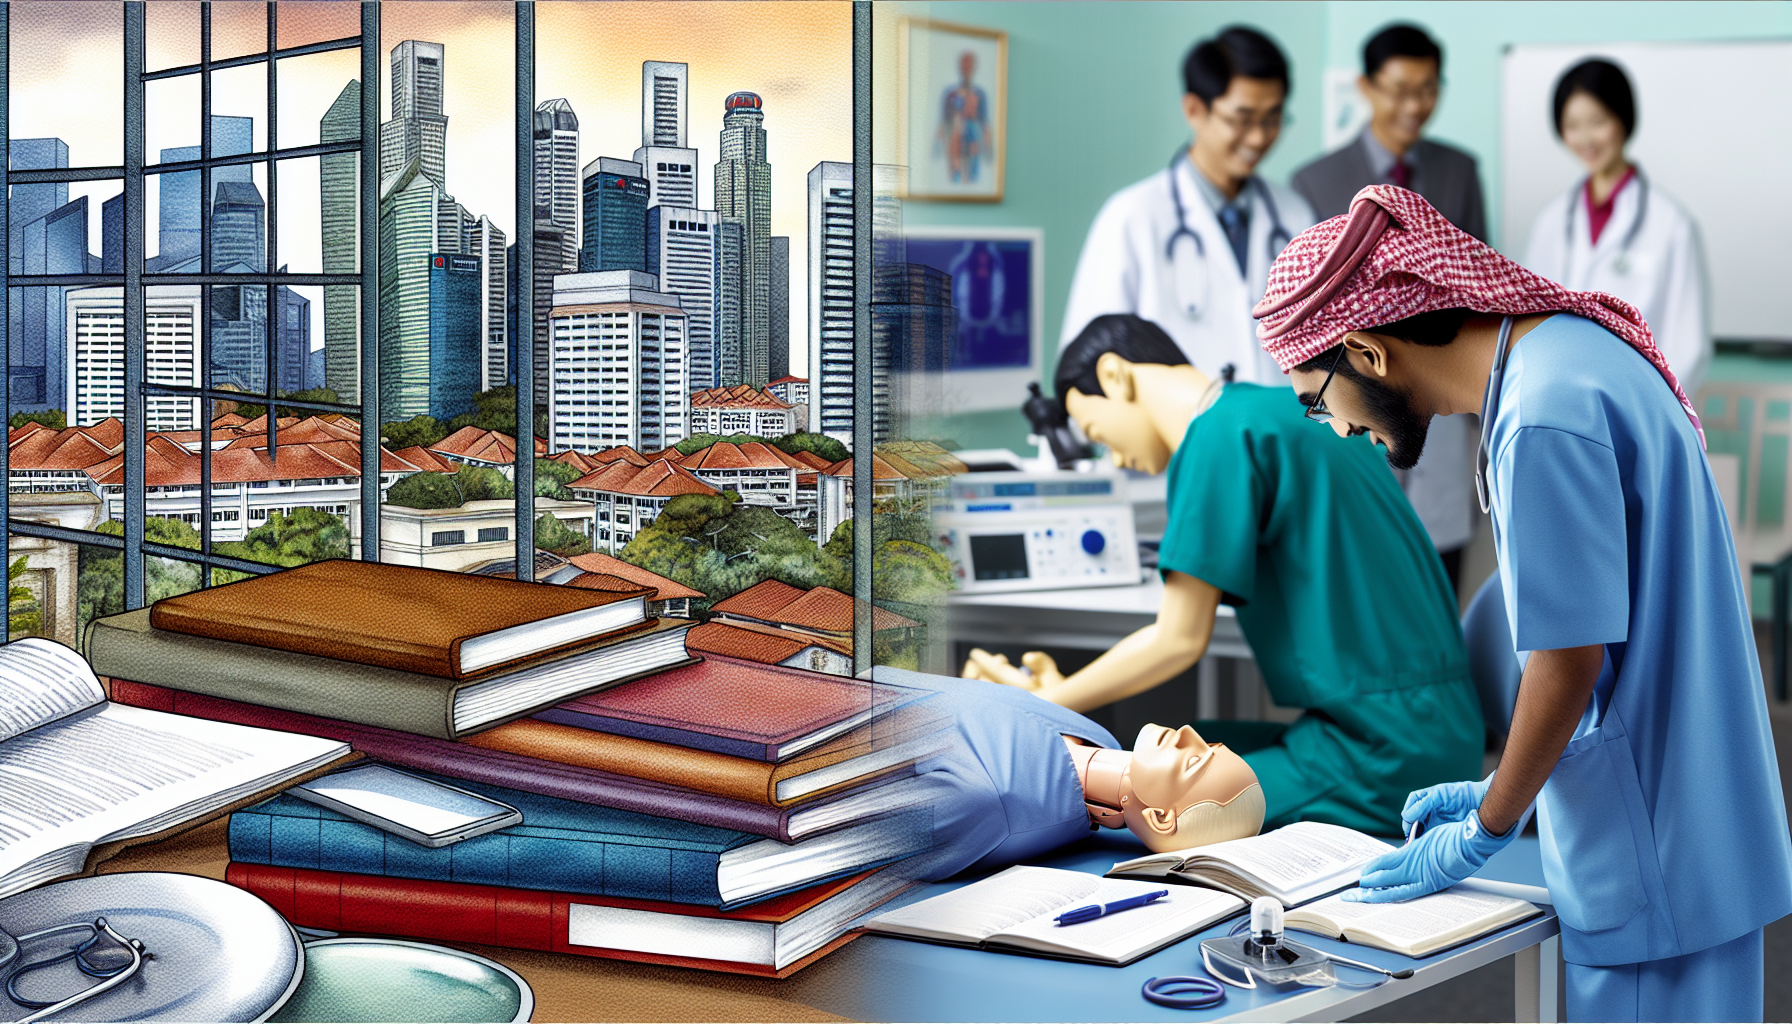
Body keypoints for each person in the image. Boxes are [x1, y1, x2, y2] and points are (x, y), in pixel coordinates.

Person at [1253, 184, 1791, 1021]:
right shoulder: (1571, 352)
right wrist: (1507, 782)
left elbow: (1568, 660)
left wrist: (1490, 824)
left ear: (1367, 352)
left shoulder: (1539, 417)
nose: (1336, 430)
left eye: (1316, 402)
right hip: (1700, 814)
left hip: (1648, 840)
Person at [962, 314, 1483, 836]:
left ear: (1116, 376)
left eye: (1098, 433)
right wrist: (1061, 695)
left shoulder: (1218, 436)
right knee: (1144, 750)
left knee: (1135, 794)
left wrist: (1031, 708)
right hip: (1435, 726)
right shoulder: (1286, 409)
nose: (1115, 456)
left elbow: (1178, 639)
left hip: (1383, 754)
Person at [1292, 23, 1484, 590]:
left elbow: (1479, 286)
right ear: (1366, 87)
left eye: (1427, 89)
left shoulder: (1459, 171)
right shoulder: (1316, 181)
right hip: (1358, 393)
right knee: (1364, 571)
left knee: (1439, 571)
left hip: (1436, 395)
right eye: (1399, 89)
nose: (1414, 105)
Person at [1061, 27, 1316, 386]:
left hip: (1278, 436)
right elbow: (1085, 362)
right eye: (1241, 120)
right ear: (1195, 110)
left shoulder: (1294, 215)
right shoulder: (1132, 216)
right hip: (1176, 439)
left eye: (1272, 119)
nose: (1259, 137)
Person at [1521, 58, 1711, 395]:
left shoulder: (1671, 224)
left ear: (1623, 118)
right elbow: (1530, 324)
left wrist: (1643, 413)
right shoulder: (1551, 221)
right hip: (1561, 403)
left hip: (1642, 408)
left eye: (1598, 122)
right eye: (1572, 125)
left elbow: (1688, 346)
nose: (1585, 138)